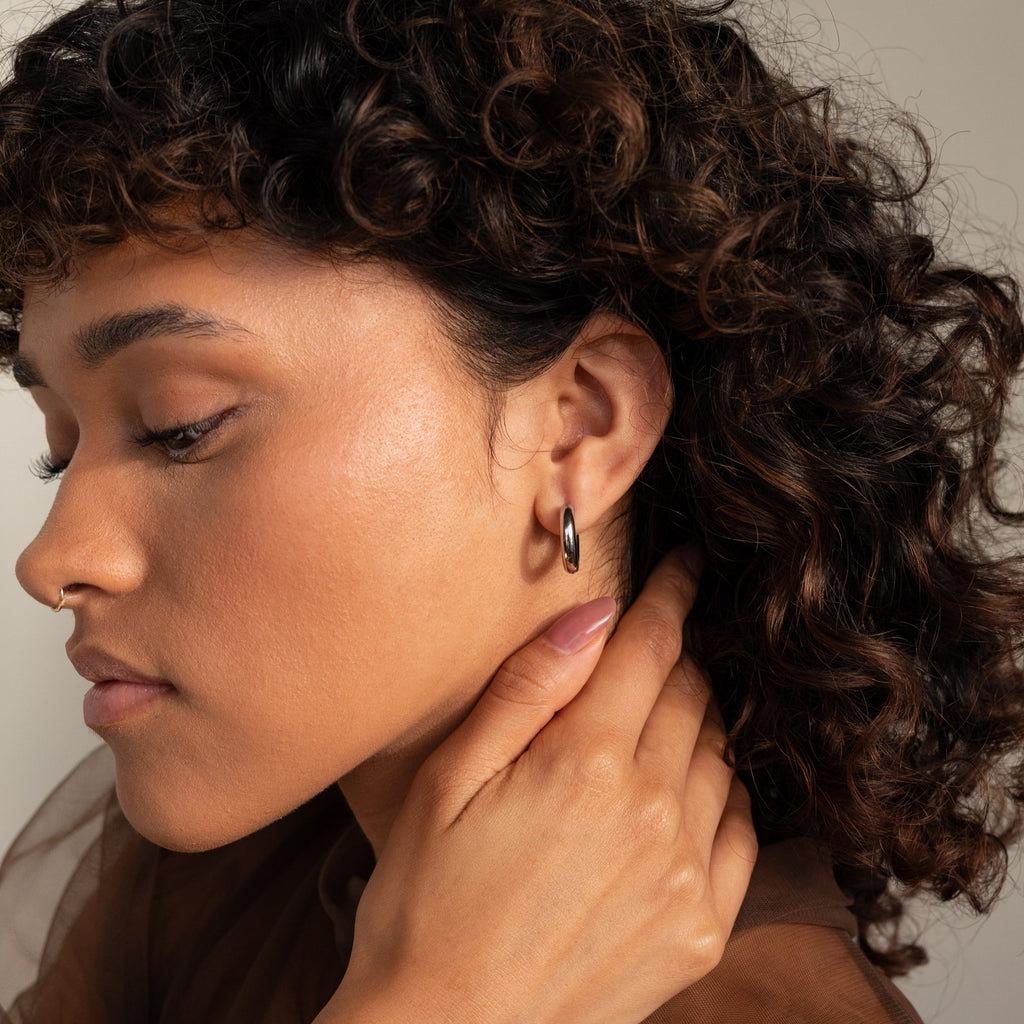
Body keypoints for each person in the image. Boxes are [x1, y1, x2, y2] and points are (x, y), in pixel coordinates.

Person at [1, 0, 1022, 1021]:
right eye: (60, 450)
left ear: (582, 428)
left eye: (182, 424)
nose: (50, 562)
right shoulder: (222, 882)